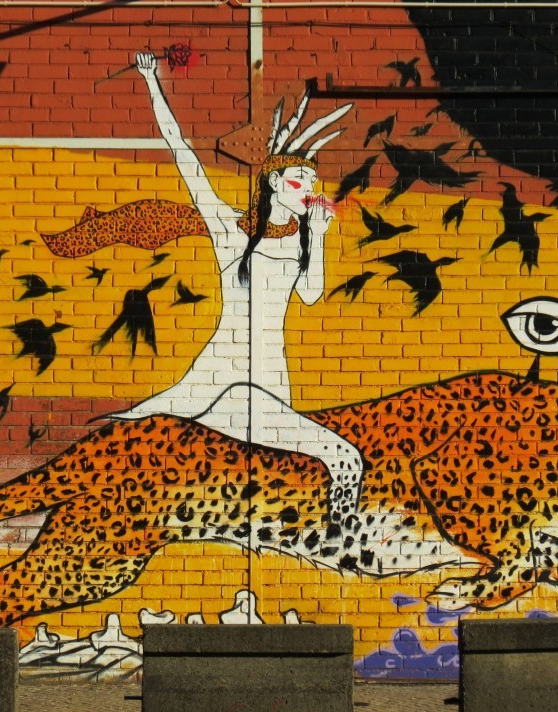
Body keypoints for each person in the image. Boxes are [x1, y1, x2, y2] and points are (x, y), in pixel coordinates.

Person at [105, 51, 364, 523]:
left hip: (271, 373)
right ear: (274, 183)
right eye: (298, 179)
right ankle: (341, 528)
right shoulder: (230, 229)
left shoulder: (303, 240)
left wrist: (319, 237)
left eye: (312, 181)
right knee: (345, 459)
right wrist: (151, 81)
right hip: (225, 372)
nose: (309, 188)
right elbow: (182, 153)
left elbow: (310, 295)